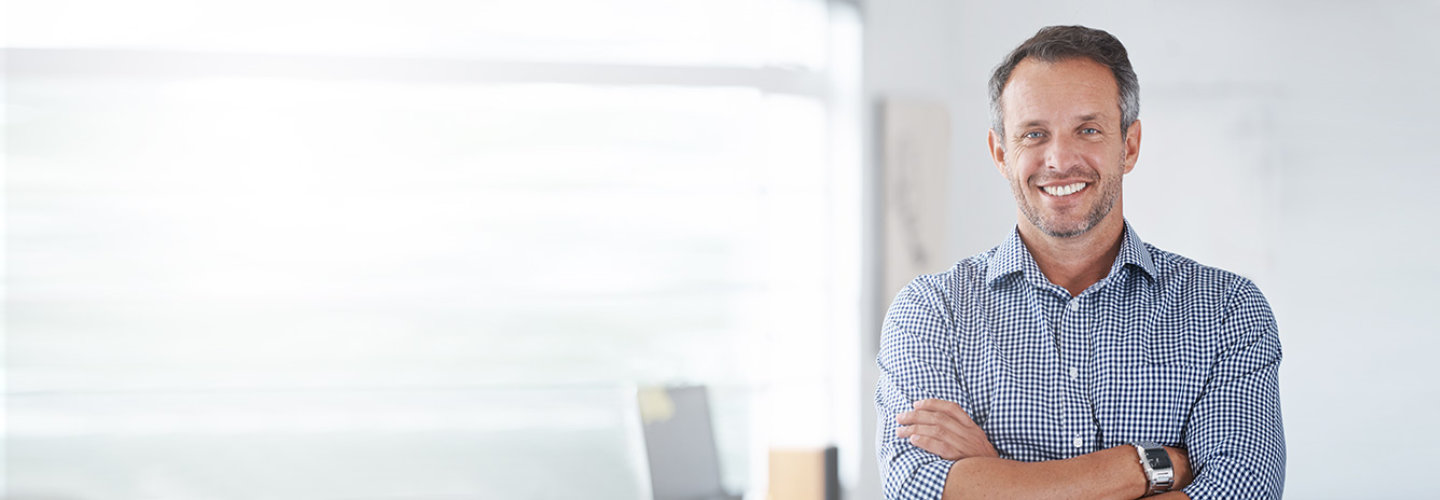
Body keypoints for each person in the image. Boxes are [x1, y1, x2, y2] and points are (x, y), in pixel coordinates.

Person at [874, 26, 1285, 499]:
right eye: (1034, 134)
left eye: (1087, 130)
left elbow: (1244, 490)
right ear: (1001, 153)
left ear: (1128, 146)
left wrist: (990, 475)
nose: (1059, 159)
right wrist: (1150, 467)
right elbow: (913, 489)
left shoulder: (1227, 310)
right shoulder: (930, 313)